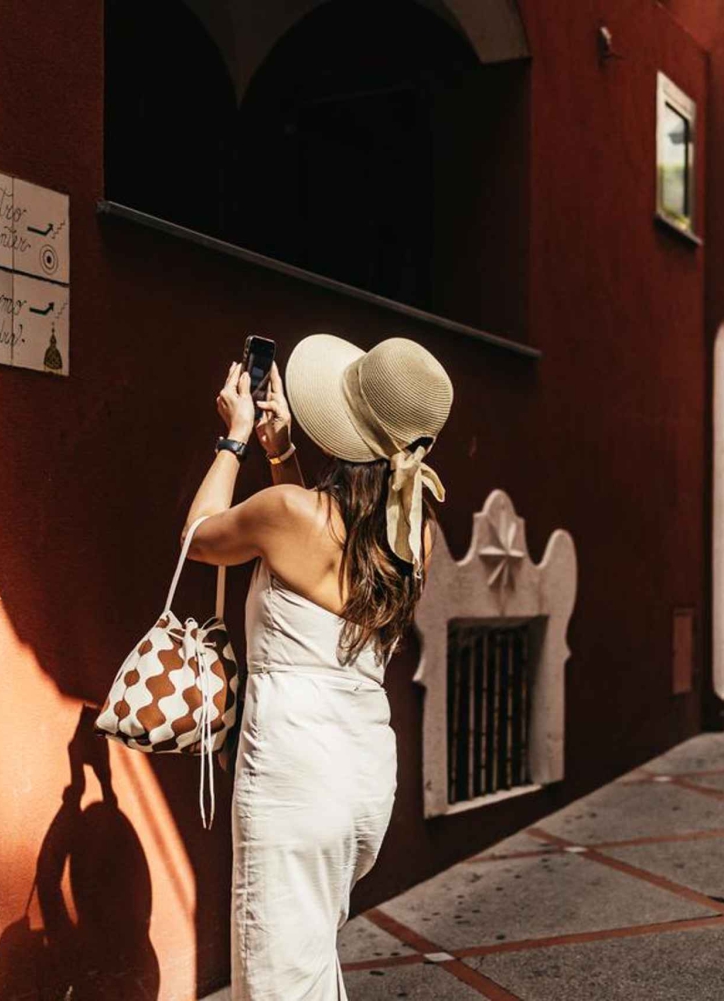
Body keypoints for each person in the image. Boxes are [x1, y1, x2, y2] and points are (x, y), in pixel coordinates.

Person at [183, 334, 452, 999]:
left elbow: (197, 538)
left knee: (279, 979)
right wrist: (282, 455)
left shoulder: (287, 514)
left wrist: (235, 440)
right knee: (308, 960)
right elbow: (327, 546)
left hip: (293, 772)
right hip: (364, 777)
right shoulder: (414, 535)